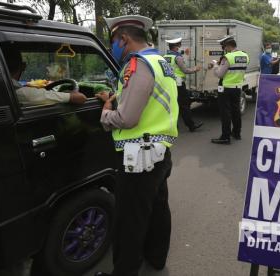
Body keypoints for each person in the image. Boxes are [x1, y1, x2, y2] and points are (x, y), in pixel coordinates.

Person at [95, 15, 178, 276]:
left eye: (113, 42)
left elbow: (127, 118)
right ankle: (156, 259)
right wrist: (121, 95)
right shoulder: (160, 61)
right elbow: (152, 96)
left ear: (124, 39)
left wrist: (106, 112)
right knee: (157, 209)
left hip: (138, 157)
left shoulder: (137, 64)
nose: (113, 48)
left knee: (129, 221)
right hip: (160, 152)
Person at [2, 46, 87, 106]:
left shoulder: (6, 89)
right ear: (23, 66)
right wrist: (71, 94)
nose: (47, 69)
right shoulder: (22, 93)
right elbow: (80, 98)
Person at [208, 35, 249, 144]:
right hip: (237, 88)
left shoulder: (228, 57)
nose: (224, 50)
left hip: (226, 89)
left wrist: (215, 65)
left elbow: (220, 75)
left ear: (228, 46)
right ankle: (236, 133)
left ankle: (225, 137)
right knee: (236, 112)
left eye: (224, 47)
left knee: (225, 113)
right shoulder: (245, 56)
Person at [164, 37, 203, 132]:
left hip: (169, 84)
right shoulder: (178, 57)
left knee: (172, 105)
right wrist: (195, 69)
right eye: (179, 44)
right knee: (184, 105)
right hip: (179, 84)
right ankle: (191, 125)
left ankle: (173, 126)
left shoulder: (165, 57)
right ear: (177, 46)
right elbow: (185, 70)